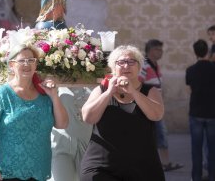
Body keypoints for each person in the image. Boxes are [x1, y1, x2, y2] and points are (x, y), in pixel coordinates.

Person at [0, 44, 69, 181]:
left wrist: (54, 96)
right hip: (8, 172)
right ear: (12, 65)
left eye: (31, 60)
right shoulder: (2, 95)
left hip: (39, 171)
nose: (27, 64)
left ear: (36, 64)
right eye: (22, 60)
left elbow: (62, 124)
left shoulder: (44, 93)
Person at [80, 45, 165, 181]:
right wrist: (109, 93)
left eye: (131, 62)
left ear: (139, 67)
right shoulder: (101, 90)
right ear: (113, 68)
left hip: (142, 166)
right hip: (101, 166)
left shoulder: (150, 91)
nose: (126, 66)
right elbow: (88, 117)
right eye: (121, 62)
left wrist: (133, 92)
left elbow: (157, 115)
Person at [138, 39, 183, 171]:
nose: (161, 52)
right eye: (159, 49)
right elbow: (139, 84)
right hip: (149, 106)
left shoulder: (154, 64)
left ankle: (162, 163)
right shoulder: (145, 65)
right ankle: (162, 163)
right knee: (159, 134)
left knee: (157, 134)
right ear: (151, 50)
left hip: (155, 105)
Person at [186, 39, 215, 181]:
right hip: (213, 113)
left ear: (195, 52)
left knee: (196, 148)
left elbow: (190, 88)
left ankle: (196, 177)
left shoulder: (190, 70)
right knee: (212, 148)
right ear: (207, 51)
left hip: (196, 112)